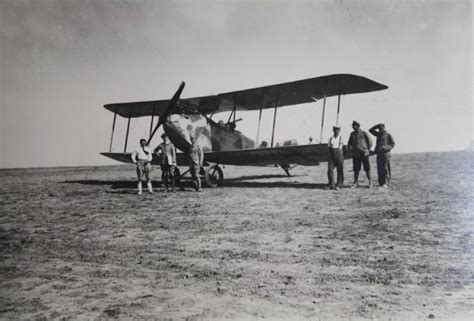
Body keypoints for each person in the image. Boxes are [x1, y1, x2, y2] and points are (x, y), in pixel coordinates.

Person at [347, 120, 373, 188]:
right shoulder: (352, 134)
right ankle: (355, 183)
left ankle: (370, 182)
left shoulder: (364, 133)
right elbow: (349, 142)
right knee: (356, 169)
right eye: (352, 125)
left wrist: (367, 149)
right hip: (356, 154)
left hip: (364, 153)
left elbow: (370, 142)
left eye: (353, 125)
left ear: (357, 126)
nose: (352, 126)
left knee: (367, 168)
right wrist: (350, 146)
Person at [369, 123, 395, 188]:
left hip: (386, 154)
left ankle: (386, 183)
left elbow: (392, 144)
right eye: (379, 128)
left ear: (384, 128)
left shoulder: (388, 135)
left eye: (381, 128)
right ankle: (381, 183)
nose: (380, 129)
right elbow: (370, 130)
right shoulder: (378, 135)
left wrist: (386, 147)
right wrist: (377, 125)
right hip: (379, 154)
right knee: (379, 168)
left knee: (385, 168)